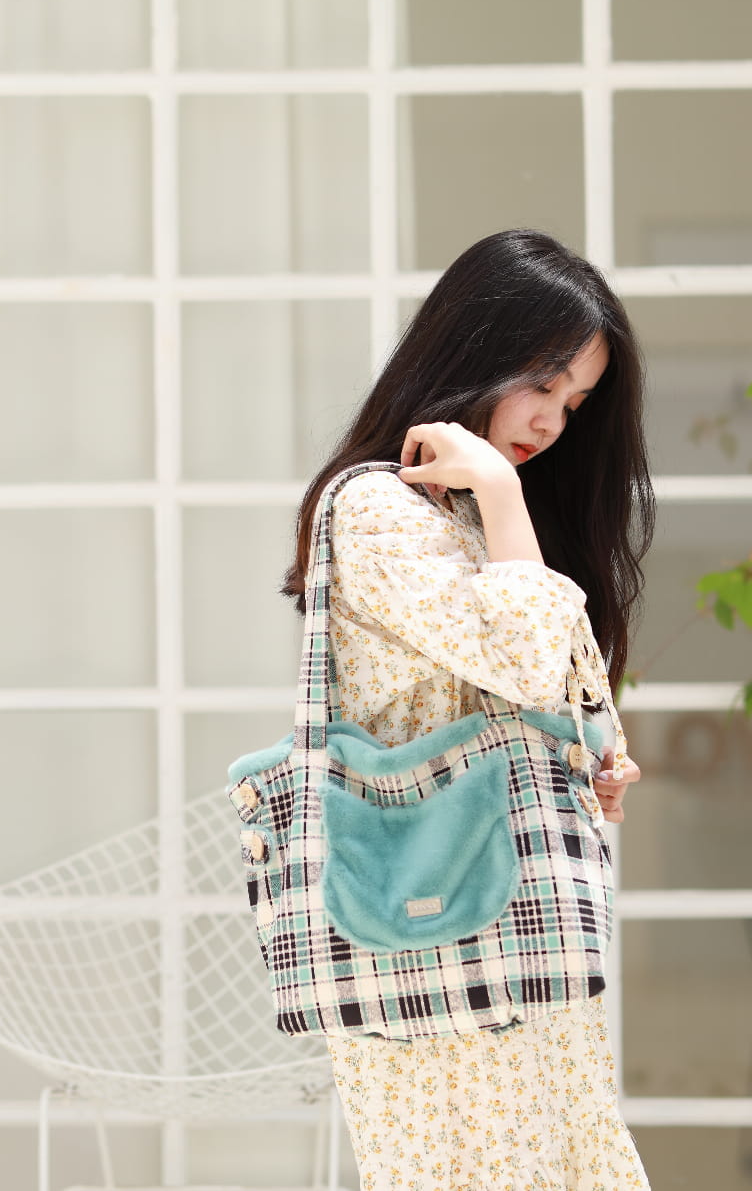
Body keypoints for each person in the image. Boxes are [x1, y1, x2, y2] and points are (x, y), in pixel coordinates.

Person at [278, 228, 654, 1189]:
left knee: (567, 1163)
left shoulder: (465, 515)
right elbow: (523, 658)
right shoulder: (378, 508)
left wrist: (594, 753)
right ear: (476, 348)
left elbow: (544, 674)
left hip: (505, 924)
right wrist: (498, 485)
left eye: (575, 402)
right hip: (428, 938)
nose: (552, 421)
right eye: (544, 383)